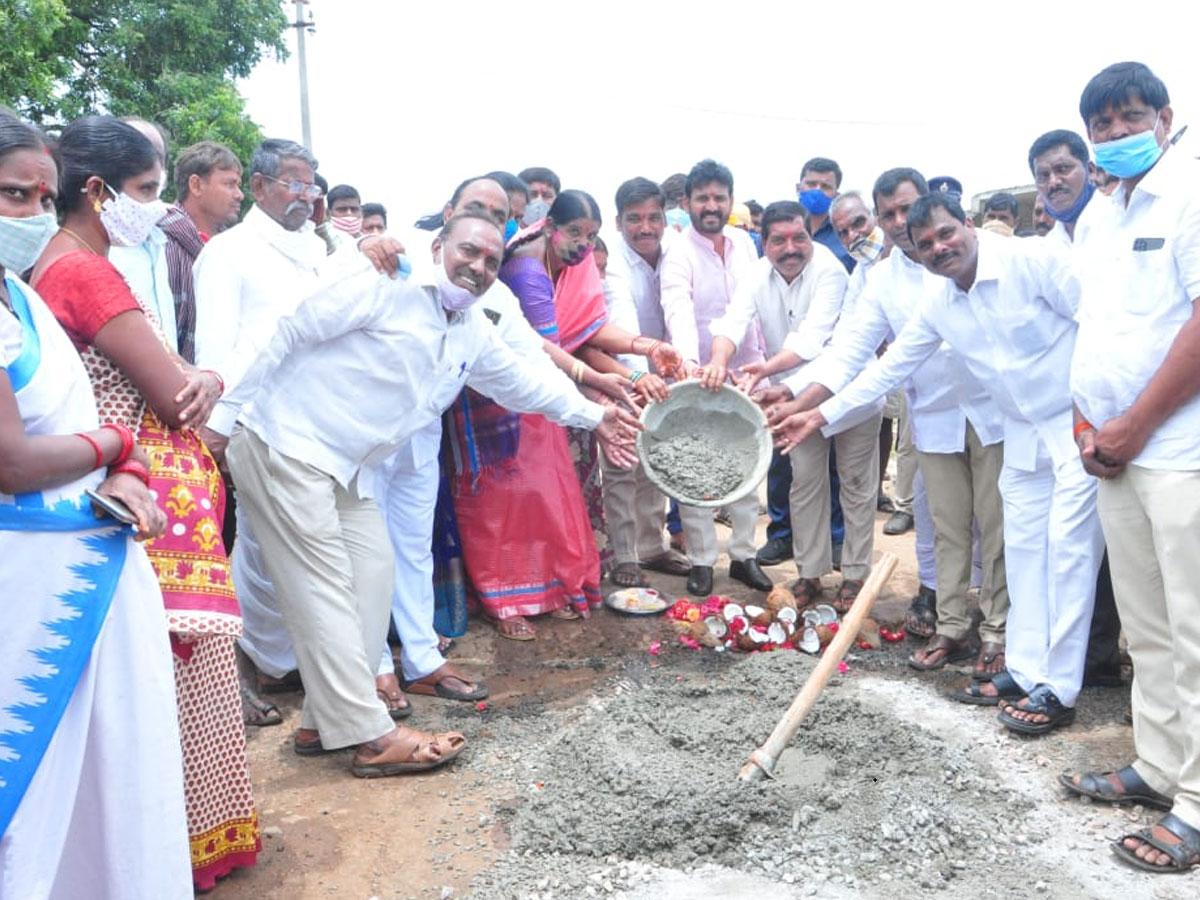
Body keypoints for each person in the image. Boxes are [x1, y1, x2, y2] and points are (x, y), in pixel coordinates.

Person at [221, 212, 637, 773]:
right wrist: (219, 421)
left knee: (373, 578)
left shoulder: (469, 327)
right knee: (324, 590)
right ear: (438, 245)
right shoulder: (383, 284)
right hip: (286, 444)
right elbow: (290, 325)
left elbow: (519, 379)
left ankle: (324, 720)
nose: (479, 267)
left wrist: (593, 416)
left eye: (491, 261)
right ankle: (370, 737)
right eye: (468, 251)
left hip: (351, 468)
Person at [774, 192, 1103, 734]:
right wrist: (815, 414)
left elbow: (1095, 321)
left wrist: (1102, 412)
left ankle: (1059, 689)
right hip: (1019, 433)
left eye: (946, 234)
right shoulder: (940, 300)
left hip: (1075, 425)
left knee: (1067, 554)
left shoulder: (1032, 260)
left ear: (968, 224)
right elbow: (887, 369)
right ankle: (1023, 669)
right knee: (1023, 555)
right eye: (926, 244)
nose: (938, 248)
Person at [30, 115, 260, 890]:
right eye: (145, 191)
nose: (154, 209)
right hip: (148, 503)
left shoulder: (62, 264)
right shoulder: (85, 270)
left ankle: (171, 846)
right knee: (173, 687)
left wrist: (195, 377)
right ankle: (178, 849)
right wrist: (206, 380)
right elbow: (171, 393)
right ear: (95, 192)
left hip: (141, 496)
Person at [0, 108, 192, 900]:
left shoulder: (20, 295)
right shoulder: (59, 280)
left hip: (90, 567)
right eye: (14, 195)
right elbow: (11, 462)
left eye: (41, 197)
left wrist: (124, 470)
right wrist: (115, 448)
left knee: (113, 799)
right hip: (32, 600)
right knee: (38, 810)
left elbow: (87, 427)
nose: (34, 215)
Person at [1062, 61, 1200, 874]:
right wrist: (1090, 425)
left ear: (1166, 116)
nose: (1114, 136)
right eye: (1100, 126)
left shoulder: (1188, 195)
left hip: (1178, 451)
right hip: (1113, 452)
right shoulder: (1100, 216)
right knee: (1146, 630)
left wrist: (1135, 425)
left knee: (1195, 629)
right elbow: (1099, 333)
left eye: (1127, 119)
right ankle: (1158, 767)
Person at [710, 200, 880, 610]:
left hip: (849, 393)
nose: (791, 248)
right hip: (792, 400)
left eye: (799, 237)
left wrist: (765, 368)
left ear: (811, 235)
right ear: (763, 243)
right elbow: (733, 321)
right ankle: (810, 573)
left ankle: (855, 575)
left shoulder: (830, 270)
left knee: (856, 486)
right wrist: (718, 360)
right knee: (804, 484)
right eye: (779, 240)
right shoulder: (756, 274)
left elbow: (812, 338)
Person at [1027, 127, 1124, 689]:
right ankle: (1099, 658)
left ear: (1088, 168)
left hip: (1133, 412)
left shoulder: (1113, 223)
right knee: (1097, 548)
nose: (1054, 182)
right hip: (1080, 419)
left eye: (1063, 169)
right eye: (1043, 175)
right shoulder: (1049, 246)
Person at [661, 159, 771, 597]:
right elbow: (677, 307)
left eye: (719, 197)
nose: (711, 205)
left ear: (730, 200)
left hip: (746, 372)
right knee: (695, 471)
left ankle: (744, 556)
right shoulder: (678, 250)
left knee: (747, 466)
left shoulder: (746, 243)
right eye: (702, 198)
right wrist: (690, 364)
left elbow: (753, 303)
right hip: (696, 378)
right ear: (687, 202)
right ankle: (703, 560)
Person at [601, 177, 691, 587]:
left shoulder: (676, 249)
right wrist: (636, 377)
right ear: (619, 223)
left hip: (666, 372)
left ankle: (652, 548)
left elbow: (681, 307)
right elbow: (620, 319)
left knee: (656, 461)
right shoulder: (613, 261)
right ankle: (625, 556)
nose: (645, 227)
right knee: (622, 463)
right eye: (634, 219)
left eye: (654, 217)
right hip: (621, 370)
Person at [159, 140, 244, 363]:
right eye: (230, 184)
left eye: (238, 185)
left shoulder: (233, 249)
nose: (239, 195)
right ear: (196, 185)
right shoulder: (162, 246)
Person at [108, 118, 178, 357]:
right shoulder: (95, 248)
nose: (150, 164)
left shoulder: (159, 239)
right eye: (137, 152)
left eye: (157, 156)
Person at [796, 156, 854, 272]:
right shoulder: (778, 229)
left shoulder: (849, 234)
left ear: (836, 195)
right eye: (811, 184)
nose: (817, 191)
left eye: (825, 187)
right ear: (798, 188)